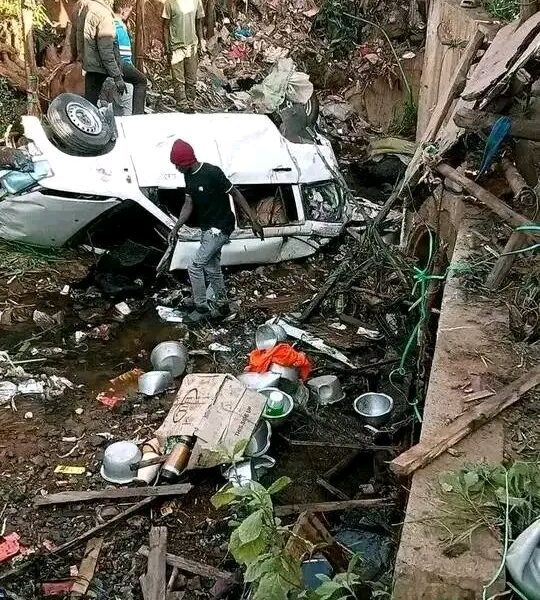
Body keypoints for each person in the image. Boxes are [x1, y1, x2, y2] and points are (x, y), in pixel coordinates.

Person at [168, 139, 264, 324]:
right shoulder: (188, 176)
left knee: (195, 266)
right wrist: (177, 226)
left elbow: (235, 193)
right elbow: (188, 203)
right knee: (212, 268)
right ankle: (222, 305)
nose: (177, 168)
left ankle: (201, 308)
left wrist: (254, 220)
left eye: (178, 164)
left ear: (187, 161)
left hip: (221, 227)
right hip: (207, 228)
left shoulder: (212, 172)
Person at [70, 0, 127, 105]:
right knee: (139, 81)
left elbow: (73, 36)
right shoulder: (104, 14)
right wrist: (117, 77)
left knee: (89, 101)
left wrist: (75, 57)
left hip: (87, 64)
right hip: (101, 66)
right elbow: (106, 51)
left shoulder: (80, 6)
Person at [162, 0, 205, 111]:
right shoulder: (170, 3)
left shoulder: (196, 2)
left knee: (191, 78)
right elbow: (165, 26)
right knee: (178, 79)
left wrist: (201, 41)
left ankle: (190, 103)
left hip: (192, 46)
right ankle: (182, 104)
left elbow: (199, 23)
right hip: (176, 47)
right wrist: (167, 46)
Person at [112, 0, 147, 114]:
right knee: (141, 81)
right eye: (128, 12)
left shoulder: (115, 24)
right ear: (122, 11)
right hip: (121, 63)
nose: (128, 15)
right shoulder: (117, 26)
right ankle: (138, 114)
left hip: (122, 62)